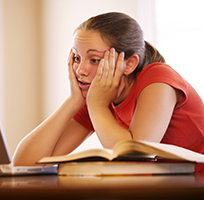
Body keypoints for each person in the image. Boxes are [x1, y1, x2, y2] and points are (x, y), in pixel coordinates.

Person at [12, 12, 204, 172]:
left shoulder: (158, 79)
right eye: (77, 57)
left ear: (129, 64)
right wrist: (74, 100)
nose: (80, 70)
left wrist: (97, 105)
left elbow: (134, 158)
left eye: (94, 60)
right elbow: (24, 164)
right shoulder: (98, 96)